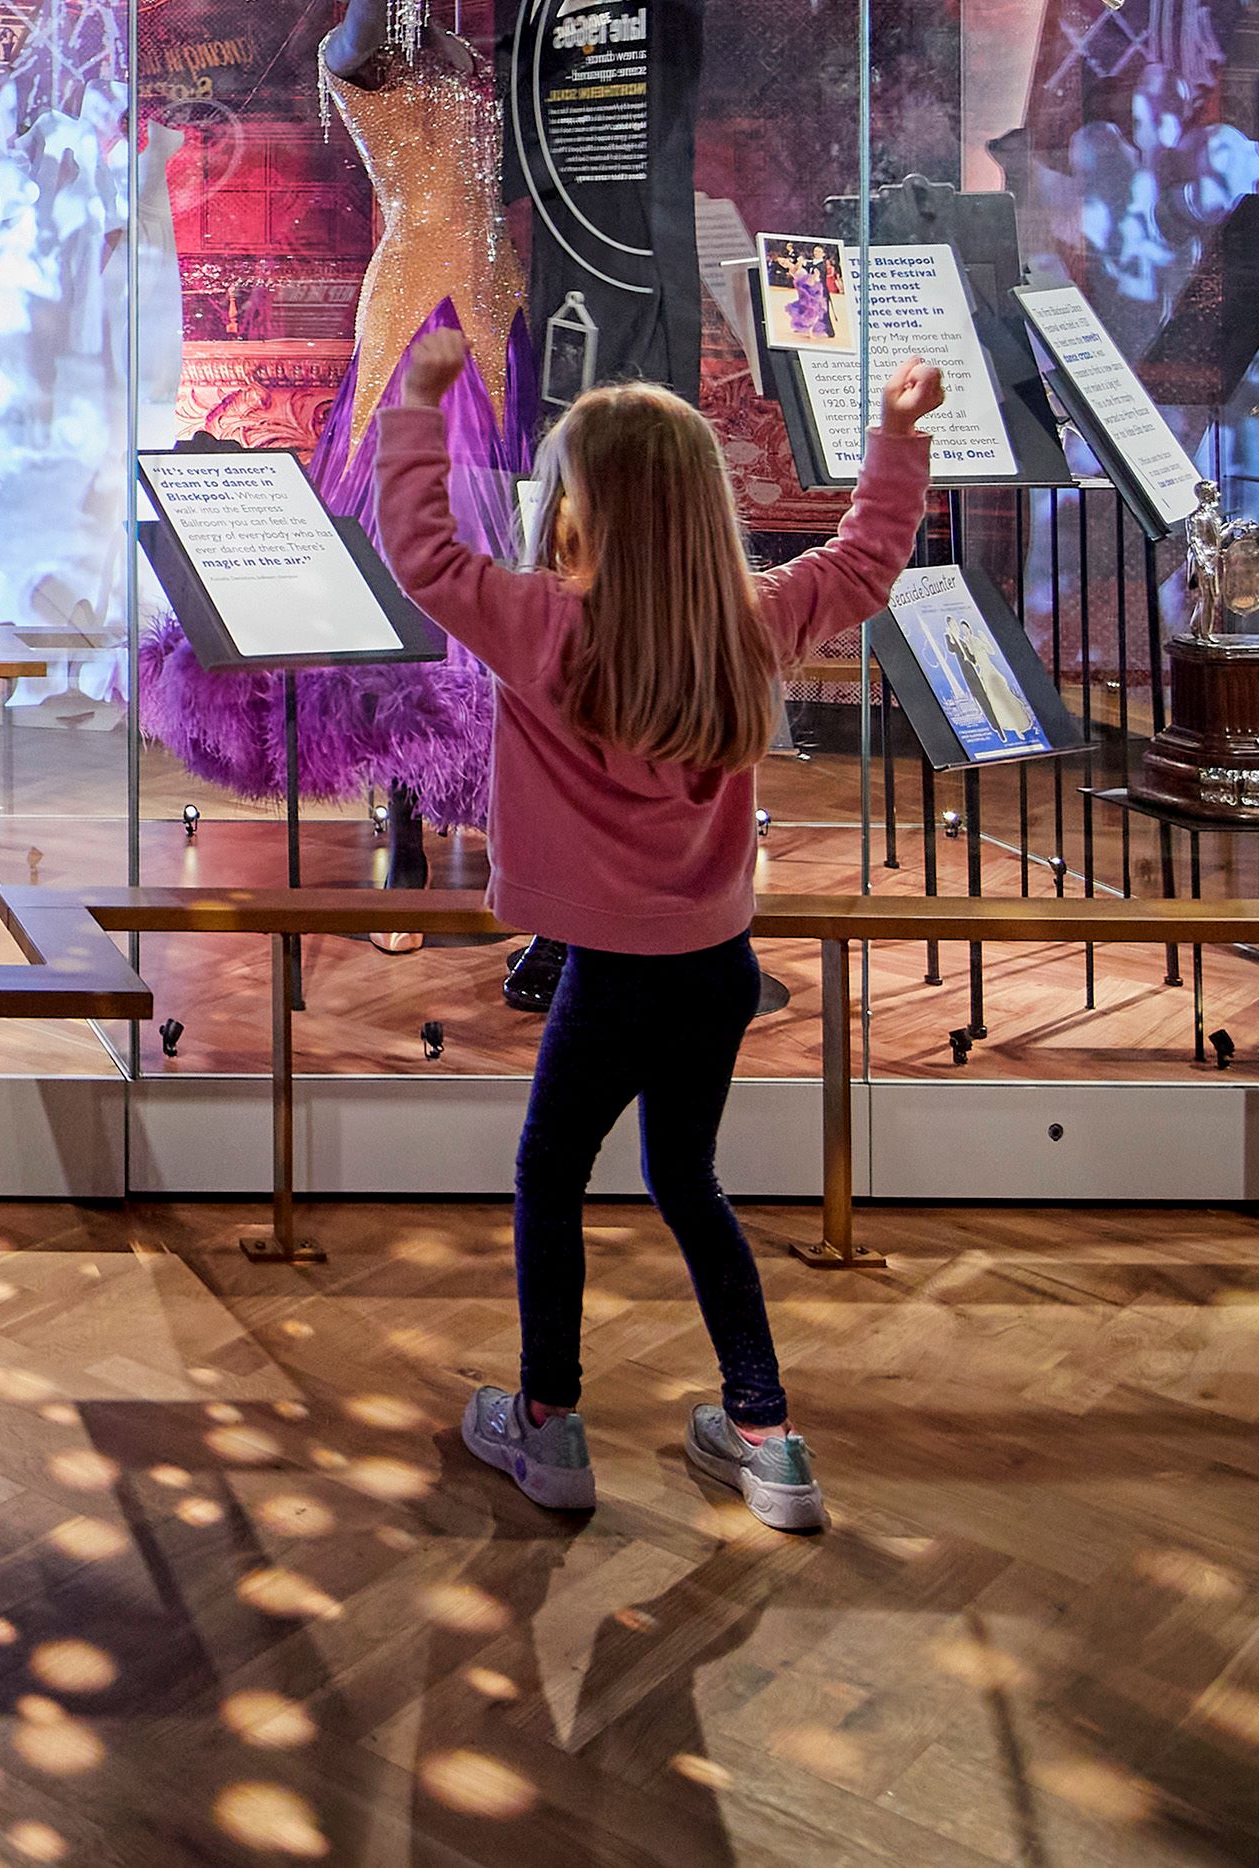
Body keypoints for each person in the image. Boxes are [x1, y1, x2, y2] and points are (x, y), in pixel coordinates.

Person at [379, 319, 939, 1539]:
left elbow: (420, 552)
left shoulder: (541, 626)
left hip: (606, 977)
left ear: (579, 511)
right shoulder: (748, 621)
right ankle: (767, 1440)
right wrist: (897, 437)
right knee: (686, 1179)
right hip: (715, 967)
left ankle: (545, 1424)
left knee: (548, 1174)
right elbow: (862, 562)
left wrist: (416, 406)